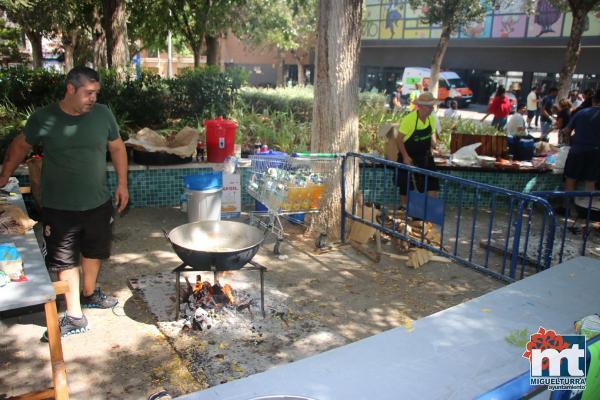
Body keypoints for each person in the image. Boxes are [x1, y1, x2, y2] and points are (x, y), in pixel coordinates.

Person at [0, 66, 129, 338]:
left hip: (97, 201)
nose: (93, 98)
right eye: (88, 93)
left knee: (94, 251)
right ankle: (74, 316)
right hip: (60, 206)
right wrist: (4, 176)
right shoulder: (44, 118)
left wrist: (122, 183)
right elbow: (20, 146)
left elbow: (116, 147)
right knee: (64, 261)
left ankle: (89, 293)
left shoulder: (103, 114)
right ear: (70, 89)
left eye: (96, 93)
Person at [395, 92, 440, 202]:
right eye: (430, 106)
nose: (432, 109)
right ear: (421, 107)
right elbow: (399, 140)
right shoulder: (409, 119)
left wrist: (435, 145)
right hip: (408, 157)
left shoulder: (431, 119)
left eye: (432, 106)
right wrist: (405, 157)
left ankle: (429, 211)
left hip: (425, 157)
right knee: (405, 185)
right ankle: (404, 209)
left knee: (432, 183)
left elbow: (431, 136)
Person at [560, 91, 600, 192]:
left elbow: (566, 131)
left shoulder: (581, 113)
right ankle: (587, 207)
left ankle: (567, 207)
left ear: (594, 100)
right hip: (596, 153)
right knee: (590, 182)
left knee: (570, 180)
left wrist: (569, 140)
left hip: (577, 151)